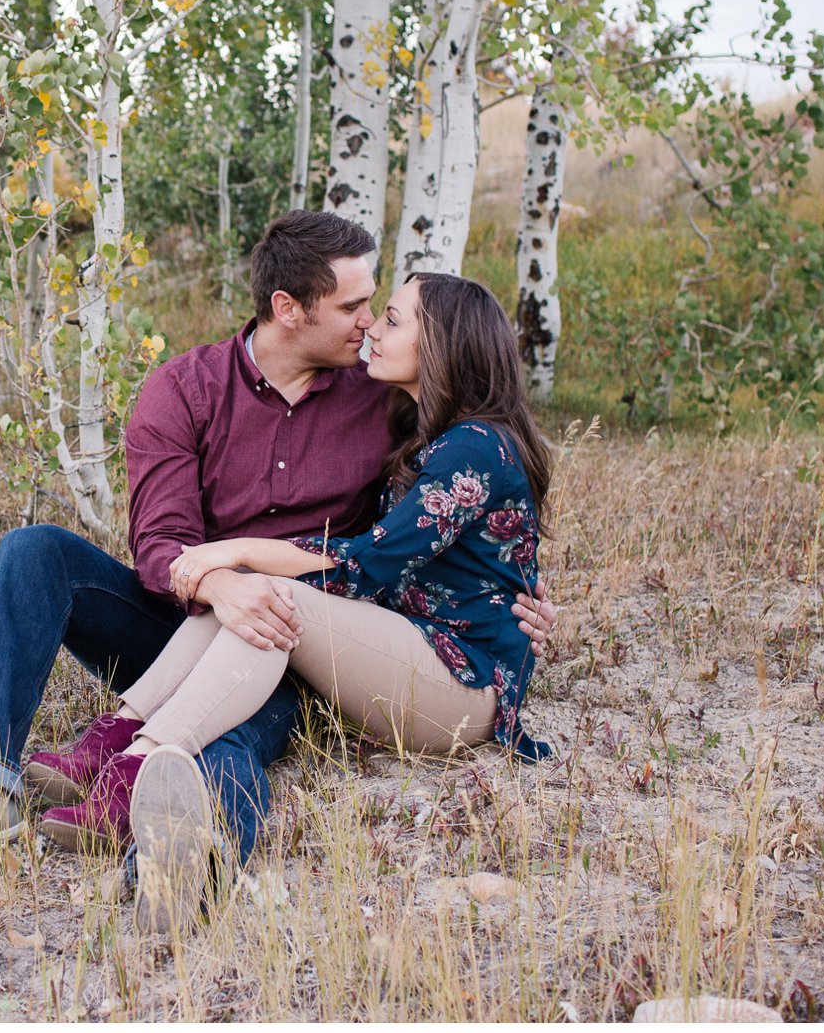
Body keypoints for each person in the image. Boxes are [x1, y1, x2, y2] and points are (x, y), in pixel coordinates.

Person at [0, 214, 558, 923]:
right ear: (289, 308)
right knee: (33, 551)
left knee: (228, 734)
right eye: (354, 307)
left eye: (377, 310)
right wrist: (224, 586)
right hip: (191, 619)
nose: (366, 325)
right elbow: (162, 546)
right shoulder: (186, 388)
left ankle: (184, 864)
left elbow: (467, 505)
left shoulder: (383, 395)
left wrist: (524, 599)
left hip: (308, 645)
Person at [29, 272, 556, 936]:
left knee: (269, 590)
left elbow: (364, 565)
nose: (373, 327)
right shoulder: (431, 435)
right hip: (412, 653)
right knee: (253, 593)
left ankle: (135, 763)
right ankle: (120, 734)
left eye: (392, 319)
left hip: (464, 683)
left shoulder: (475, 447)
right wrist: (239, 565)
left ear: (443, 343)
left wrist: (231, 550)